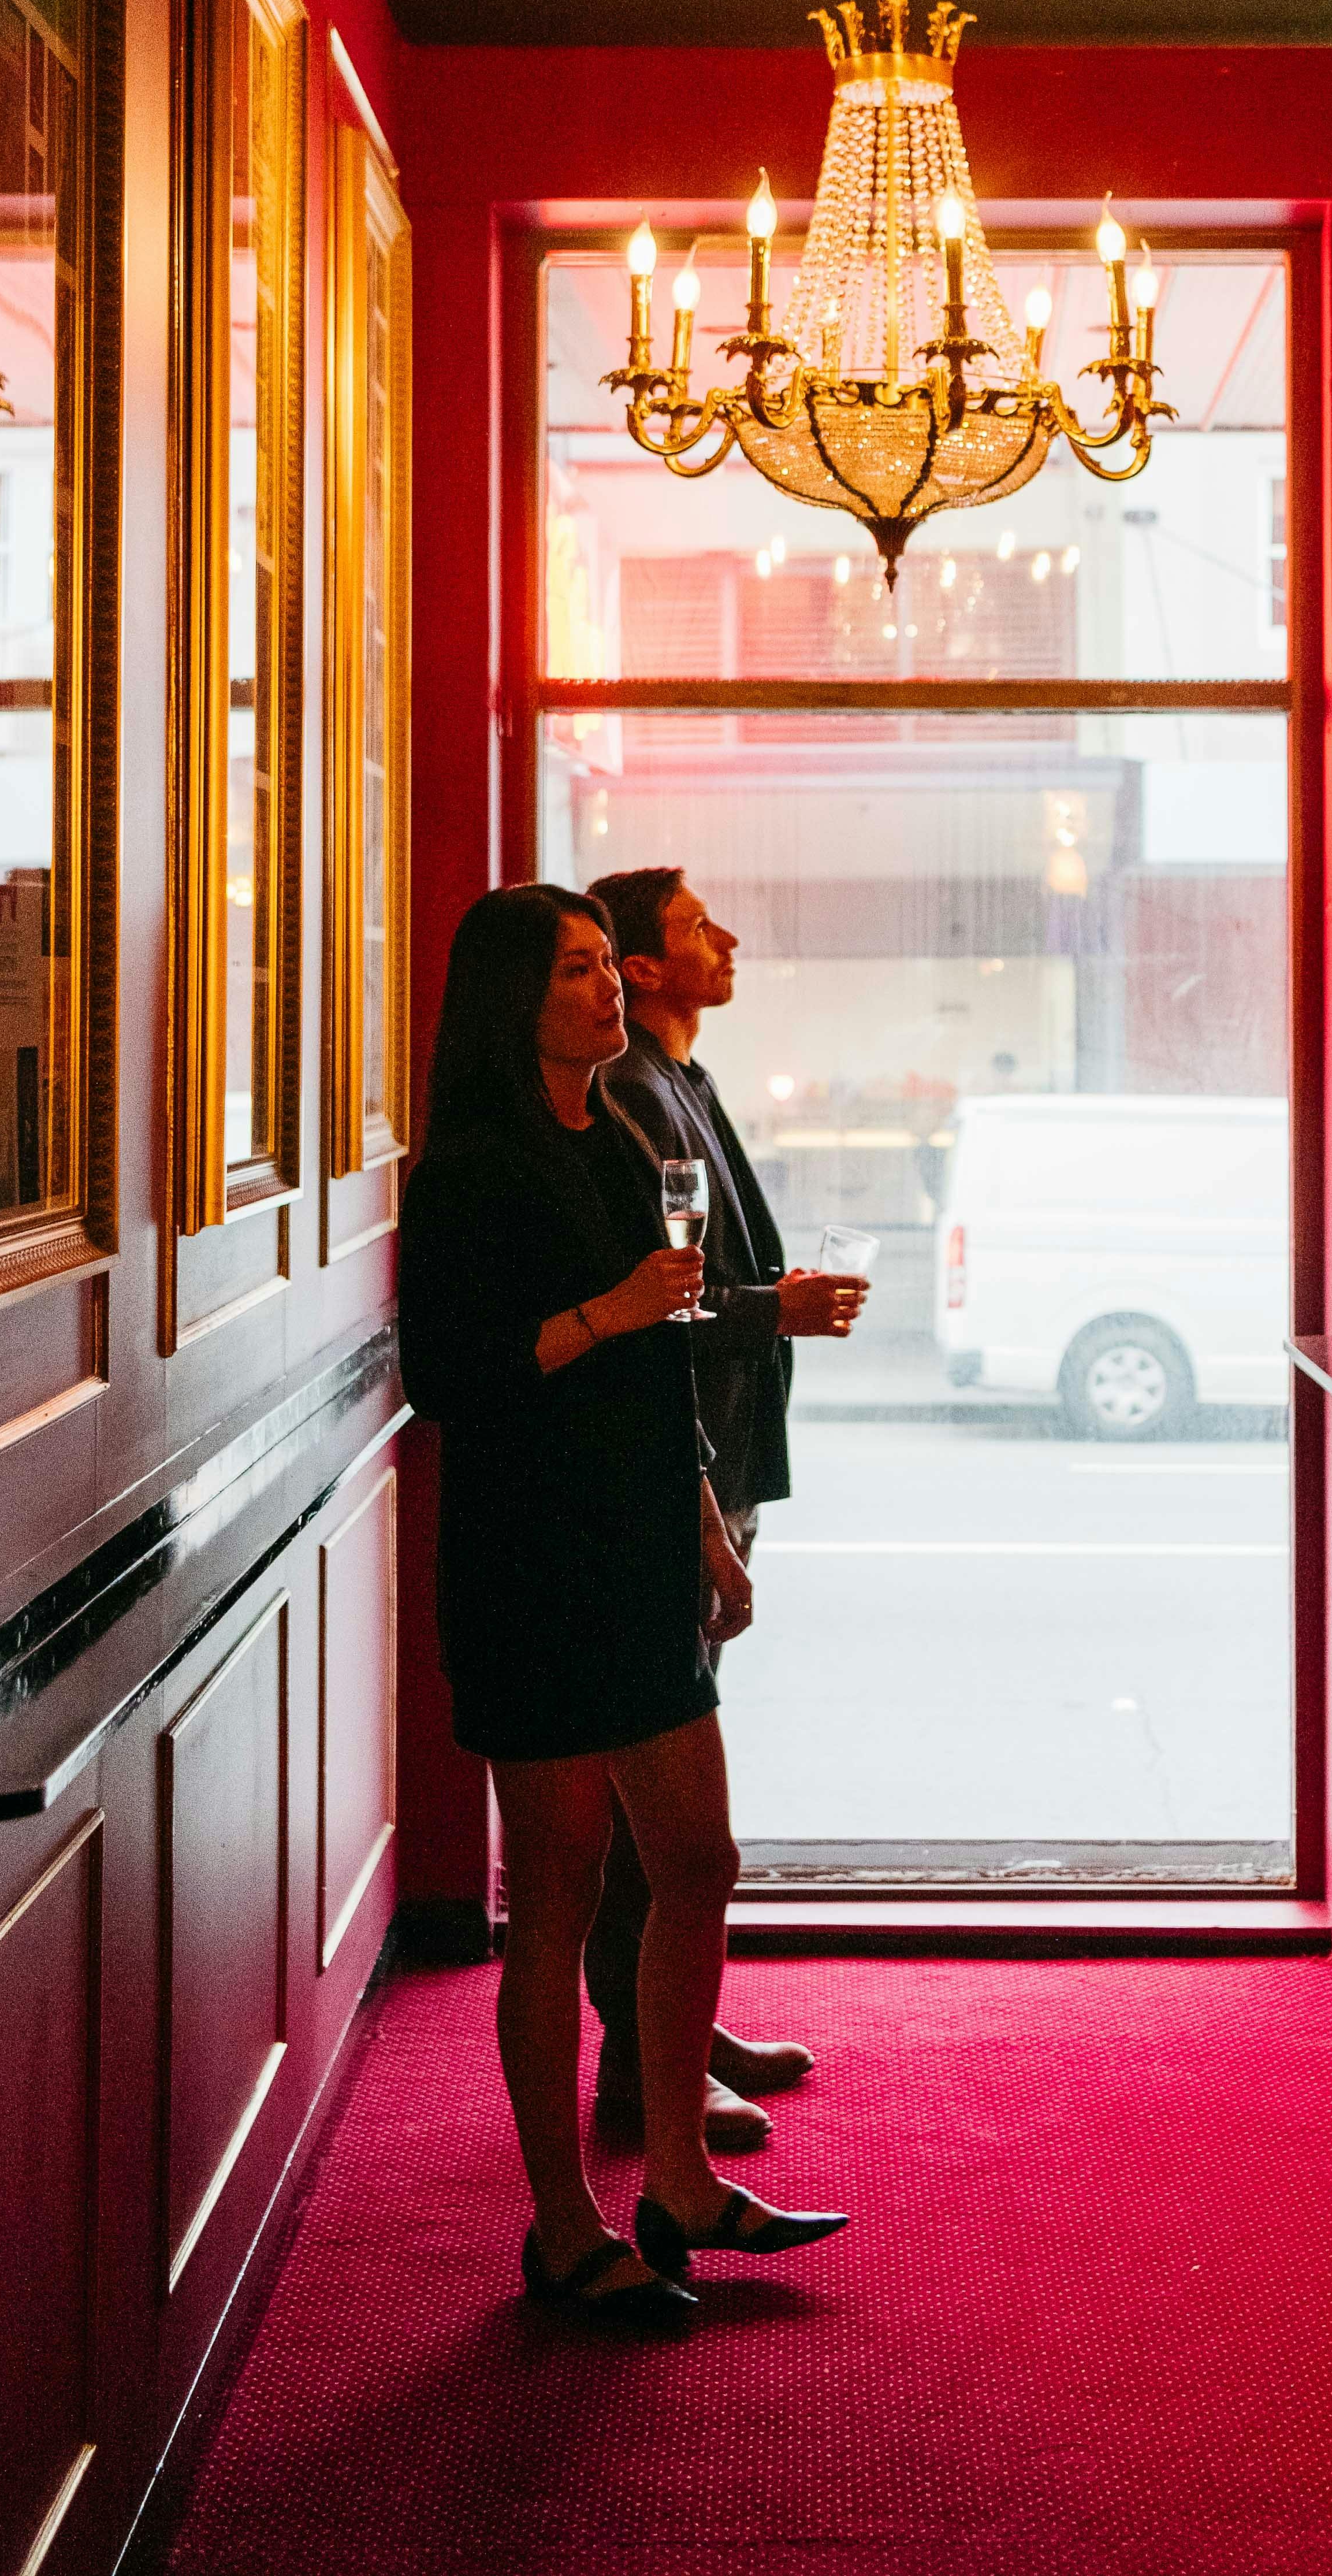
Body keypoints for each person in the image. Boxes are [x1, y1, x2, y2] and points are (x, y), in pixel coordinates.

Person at [396, 882, 849, 2324]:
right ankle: (563, 2225)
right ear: (514, 1001)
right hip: (533, 1561)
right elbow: (449, 1377)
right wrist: (611, 1314)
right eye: (580, 971)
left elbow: (667, 1346)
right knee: (562, 1890)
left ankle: (681, 2184)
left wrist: (709, 1523)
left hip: (646, 1544)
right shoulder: (472, 1167)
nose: (609, 990)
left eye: (608, 965)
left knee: (699, 1859)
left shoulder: (628, 1135)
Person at [581, 866, 868, 2148]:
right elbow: (658, 1296)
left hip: (717, 1453)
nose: (730, 938)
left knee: (674, 1771)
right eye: (699, 926)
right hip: (676, 1458)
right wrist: (772, 1309)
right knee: (655, 1789)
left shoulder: (677, 1080)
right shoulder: (635, 1092)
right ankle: (642, 2065)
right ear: (644, 966)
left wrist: (767, 1300)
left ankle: (677, 2029)